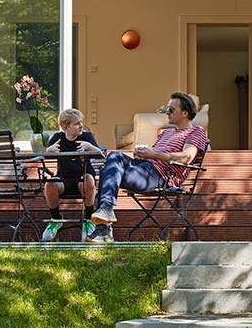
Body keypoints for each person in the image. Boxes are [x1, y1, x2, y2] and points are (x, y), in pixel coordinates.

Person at [86, 92, 208, 243]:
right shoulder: (166, 132)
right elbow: (154, 155)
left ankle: (104, 228)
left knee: (108, 172)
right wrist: (143, 154)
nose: (167, 113)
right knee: (114, 157)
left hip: (161, 176)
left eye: (171, 110)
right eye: (166, 109)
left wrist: (153, 155)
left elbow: (187, 157)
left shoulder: (196, 131)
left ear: (185, 113)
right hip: (145, 168)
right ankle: (105, 213)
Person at [40, 108, 100, 242]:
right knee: (49, 184)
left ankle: (88, 220)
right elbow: (44, 155)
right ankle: (56, 219)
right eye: (77, 123)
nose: (81, 126)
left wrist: (89, 146)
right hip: (64, 178)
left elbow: (101, 154)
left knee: (89, 180)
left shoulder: (86, 137)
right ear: (66, 127)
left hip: (83, 177)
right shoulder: (58, 138)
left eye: (81, 122)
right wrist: (48, 150)